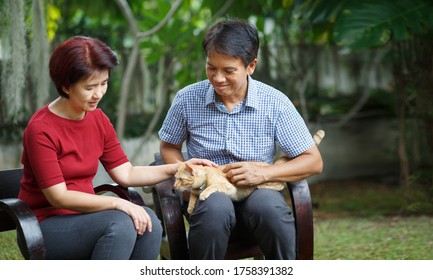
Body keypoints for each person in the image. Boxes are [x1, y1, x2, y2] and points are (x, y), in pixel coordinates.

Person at [18, 36, 215, 260]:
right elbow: (59, 197)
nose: (99, 94)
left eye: (104, 83)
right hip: (44, 227)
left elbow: (127, 173)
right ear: (65, 86)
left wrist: (178, 167)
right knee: (120, 224)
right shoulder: (41, 129)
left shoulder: (98, 119)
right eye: (90, 87)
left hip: (87, 218)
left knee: (149, 224)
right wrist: (118, 203)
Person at [158, 18, 323, 260]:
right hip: (209, 195)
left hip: (257, 191)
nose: (218, 78)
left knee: (269, 208)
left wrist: (264, 174)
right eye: (211, 67)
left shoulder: (274, 102)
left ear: (251, 66)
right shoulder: (187, 99)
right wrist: (188, 174)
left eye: (229, 70)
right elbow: (169, 146)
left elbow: (313, 162)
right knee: (215, 207)